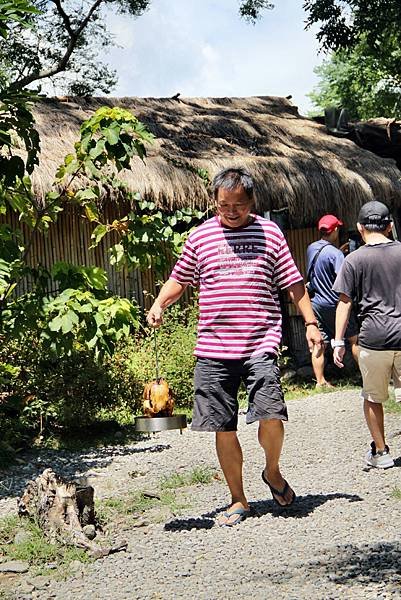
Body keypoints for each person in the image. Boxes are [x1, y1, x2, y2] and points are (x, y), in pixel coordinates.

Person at [147, 166, 323, 526]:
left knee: (271, 414)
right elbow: (180, 279)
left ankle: (272, 472)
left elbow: (292, 282)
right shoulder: (200, 237)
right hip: (213, 348)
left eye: (239, 205)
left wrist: (310, 322)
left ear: (251, 202)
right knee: (222, 425)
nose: (231, 211)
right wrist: (159, 304)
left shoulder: (270, 232)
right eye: (224, 204)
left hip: (261, 340)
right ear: (214, 201)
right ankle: (238, 500)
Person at [332, 200, 401, 469]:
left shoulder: (354, 259)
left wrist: (338, 341)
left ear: (360, 228)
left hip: (374, 339)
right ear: (390, 227)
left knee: (373, 397)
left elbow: (345, 302)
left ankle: (381, 452)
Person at [306, 214, 359, 387]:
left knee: (319, 343)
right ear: (335, 230)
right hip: (335, 306)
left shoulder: (311, 248)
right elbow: (343, 278)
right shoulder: (336, 254)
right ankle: (366, 376)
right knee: (354, 339)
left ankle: (320, 381)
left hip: (317, 305)